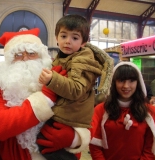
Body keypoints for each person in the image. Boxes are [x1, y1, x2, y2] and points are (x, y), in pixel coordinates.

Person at [0, 28, 86, 160]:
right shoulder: (0, 86)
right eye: (18, 54)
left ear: (41, 56)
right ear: (9, 61)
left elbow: (82, 112)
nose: (26, 59)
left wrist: (74, 137)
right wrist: (46, 98)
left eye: (32, 53)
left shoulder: (59, 77)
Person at [37, 14, 114, 159]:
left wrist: (52, 79)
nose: (68, 42)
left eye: (75, 38)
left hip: (70, 116)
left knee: (49, 145)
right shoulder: (62, 58)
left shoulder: (82, 59)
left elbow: (77, 89)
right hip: (65, 113)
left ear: (83, 42)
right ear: (57, 38)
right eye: (64, 36)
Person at [89, 61, 155, 160]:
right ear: (114, 82)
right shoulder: (101, 110)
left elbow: (150, 150)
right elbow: (95, 146)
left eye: (131, 81)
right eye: (121, 80)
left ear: (138, 82)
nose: (126, 86)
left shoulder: (150, 112)